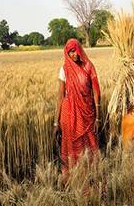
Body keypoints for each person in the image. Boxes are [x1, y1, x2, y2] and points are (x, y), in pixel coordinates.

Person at [53, 38, 100, 172]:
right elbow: (60, 96)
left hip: (87, 112)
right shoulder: (64, 70)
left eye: (76, 50)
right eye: (70, 52)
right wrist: (56, 123)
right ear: (66, 53)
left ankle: (90, 173)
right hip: (68, 113)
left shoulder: (88, 66)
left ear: (80, 49)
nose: (74, 54)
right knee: (70, 145)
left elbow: (97, 92)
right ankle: (73, 175)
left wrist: (98, 117)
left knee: (89, 143)